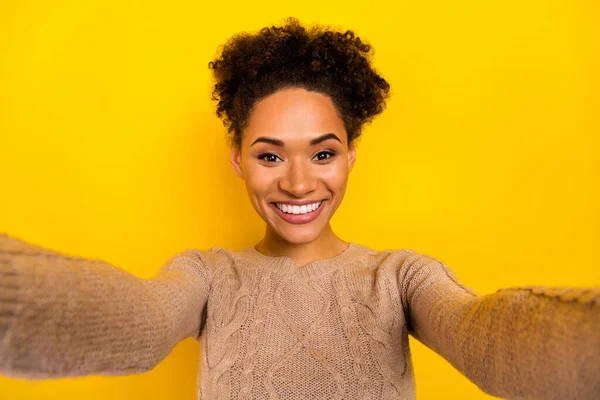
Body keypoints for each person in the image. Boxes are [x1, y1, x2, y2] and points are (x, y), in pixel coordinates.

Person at [0, 16, 598, 400]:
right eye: (269, 156)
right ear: (237, 159)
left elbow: (486, 337)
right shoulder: (207, 276)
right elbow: (141, 322)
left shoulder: (401, 278)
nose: (297, 183)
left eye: (322, 153)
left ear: (350, 156)